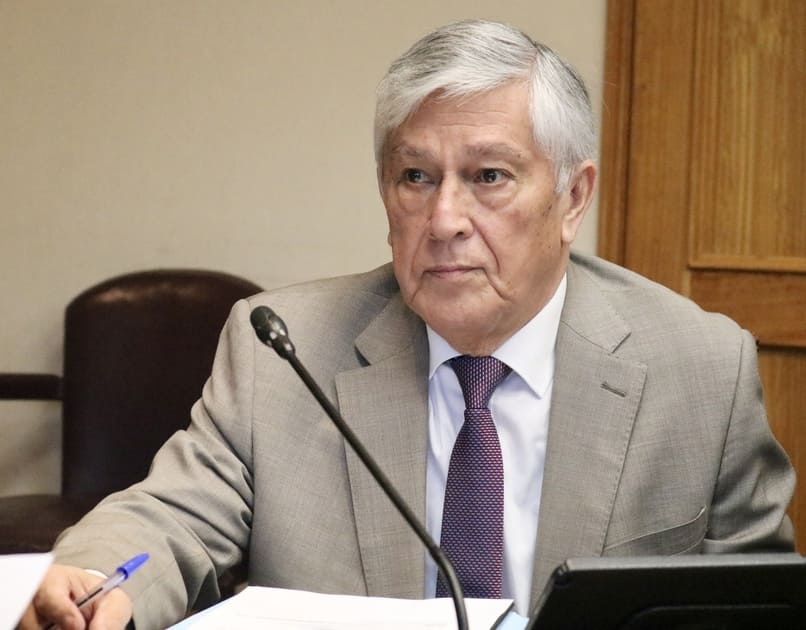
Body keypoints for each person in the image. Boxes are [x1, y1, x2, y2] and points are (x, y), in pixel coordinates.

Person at [22, 19, 794, 630]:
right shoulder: (283, 349)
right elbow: (172, 516)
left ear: (572, 198)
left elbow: (756, 603)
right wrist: (92, 580)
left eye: (489, 176)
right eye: (415, 177)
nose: (444, 219)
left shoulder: (700, 368)